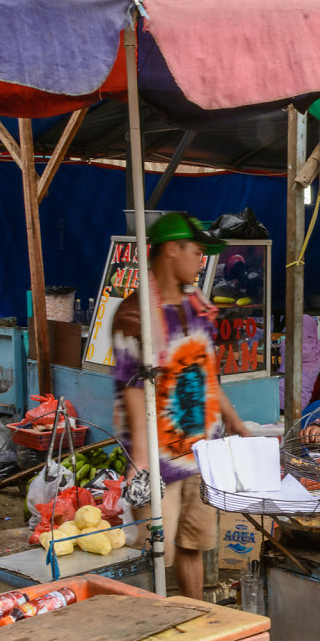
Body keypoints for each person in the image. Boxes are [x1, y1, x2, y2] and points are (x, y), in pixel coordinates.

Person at [112, 211, 249, 600]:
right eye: (196, 251)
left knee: (195, 544)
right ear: (172, 250)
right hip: (159, 459)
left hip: (202, 453)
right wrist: (140, 460)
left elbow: (207, 375)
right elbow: (133, 388)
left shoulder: (198, 309)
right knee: (156, 554)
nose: (200, 260)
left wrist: (236, 424)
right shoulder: (134, 314)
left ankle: (197, 620)